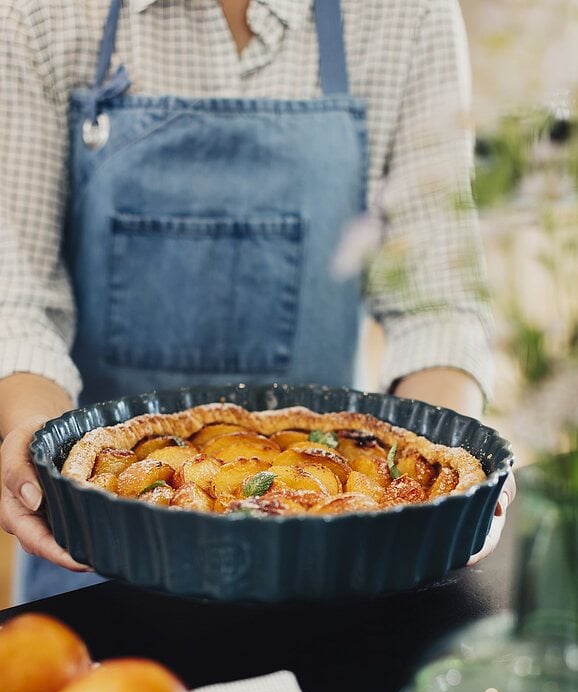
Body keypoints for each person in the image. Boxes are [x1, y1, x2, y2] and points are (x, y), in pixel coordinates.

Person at [0, 0, 515, 603]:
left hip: (343, 560)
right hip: (95, 551)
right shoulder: (39, 14)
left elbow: (438, 304)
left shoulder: (407, 15)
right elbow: (15, 299)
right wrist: (35, 441)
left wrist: (431, 491)